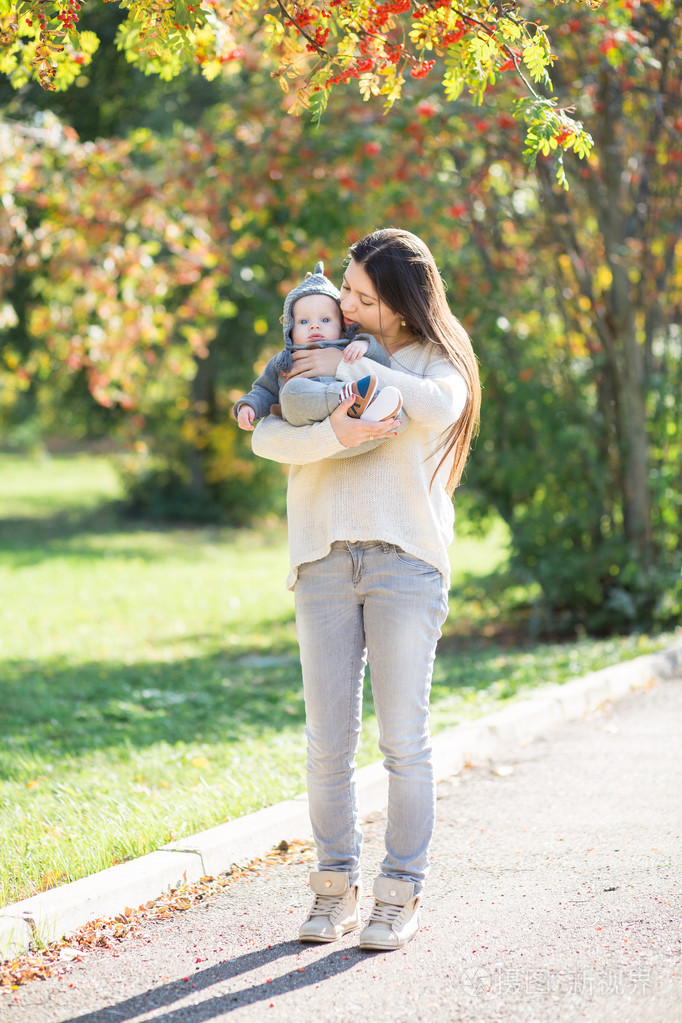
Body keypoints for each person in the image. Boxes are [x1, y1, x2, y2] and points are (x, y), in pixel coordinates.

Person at [250, 228, 481, 952]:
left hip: (405, 564)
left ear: (400, 303)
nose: (343, 304)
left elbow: (439, 406)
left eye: (360, 296)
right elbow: (267, 436)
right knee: (328, 745)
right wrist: (338, 435)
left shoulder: (433, 361)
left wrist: (357, 370)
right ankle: (333, 886)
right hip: (322, 559)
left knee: (403, 741)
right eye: (344, 289)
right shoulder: (316, 343)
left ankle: (398, 892)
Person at [232, 262, 403, 437]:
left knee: (372, 386)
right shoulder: (285, 360)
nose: (314, 326)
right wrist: (248, 406)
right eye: (303, 321)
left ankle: (372, 407)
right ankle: (350, 396)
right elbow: (264, 391)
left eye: (325, 320)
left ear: (341, 325)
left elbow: (381, 363)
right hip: (307, 415)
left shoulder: (349, 347)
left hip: (352, 419)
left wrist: (365, 345)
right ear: (289, 329)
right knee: (291, 391)